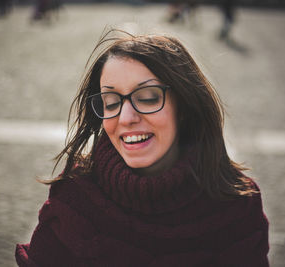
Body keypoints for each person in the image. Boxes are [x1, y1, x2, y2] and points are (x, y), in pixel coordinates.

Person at [15, 29, 269, 266]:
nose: (126, 118)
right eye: (111, 102)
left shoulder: (238, 206)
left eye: (147, 98)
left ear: (185, 106)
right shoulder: (74, 196)